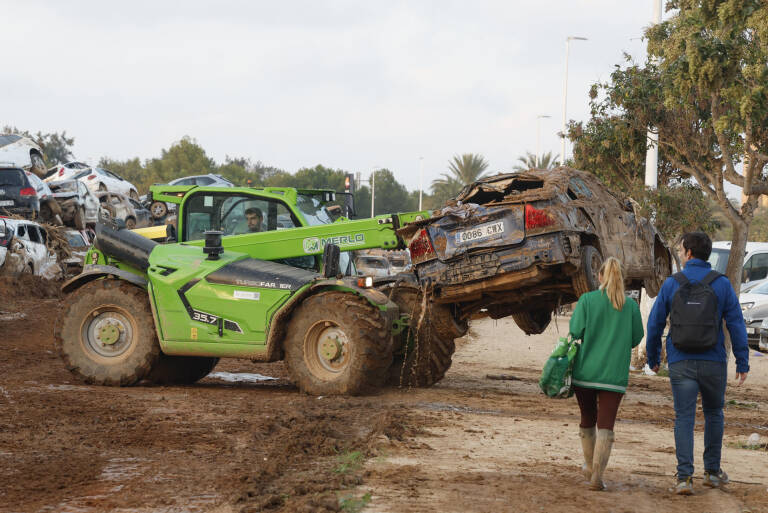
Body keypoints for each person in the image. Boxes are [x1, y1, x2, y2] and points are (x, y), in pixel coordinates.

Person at [647, 232, 749, 495]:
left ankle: (684, 478)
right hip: (714, 360)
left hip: (681, 360)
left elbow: (655, 322)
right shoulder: (722, 284)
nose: (681, 254)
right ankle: (713, 473)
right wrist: (742, 360)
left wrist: (653, 358)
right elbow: (736, 323)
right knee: (714, 414)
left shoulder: (672, 283)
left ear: (689, 253)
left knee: (684, 417)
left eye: (682, 250)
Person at [569, 257, 644, 491]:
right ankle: (597, 476)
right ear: (622, 278)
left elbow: (574, 331)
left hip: (585, 372)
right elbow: (636, 338)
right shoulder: (630, 306)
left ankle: (590, 467)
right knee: (606, 425)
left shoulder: (587, 300)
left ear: (599, 277)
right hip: (614, 375)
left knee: (587, 419)